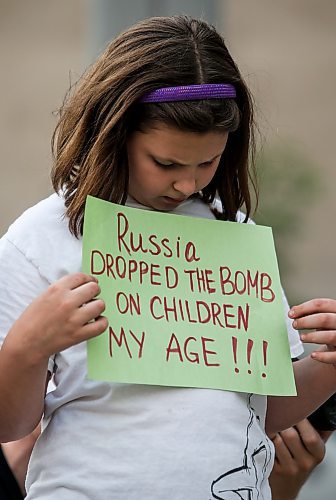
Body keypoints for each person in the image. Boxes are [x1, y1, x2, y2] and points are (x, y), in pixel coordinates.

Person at [0, 14, 336, 499]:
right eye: (166, 163)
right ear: (111, 134)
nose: (187, 183)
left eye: (208, 161)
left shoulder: (232, 232)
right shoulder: (41, 237)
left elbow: (263, 409)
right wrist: (29, 345)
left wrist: (329, 364)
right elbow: (11, 424)